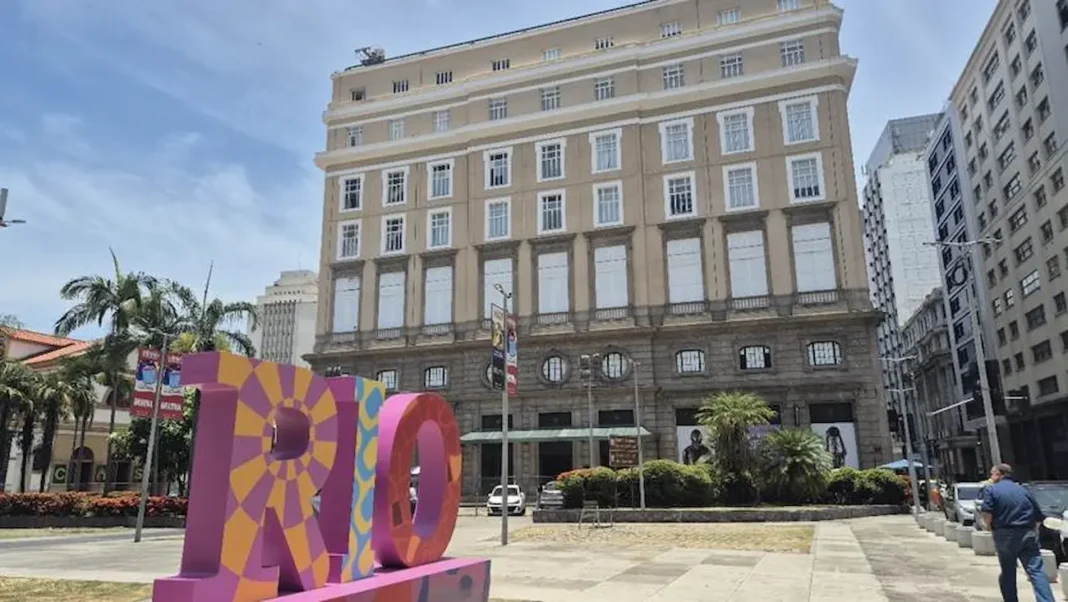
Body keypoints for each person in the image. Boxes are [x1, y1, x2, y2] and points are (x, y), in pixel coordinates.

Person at [979, 463, 1055, 602]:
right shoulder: (1023, 490)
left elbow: (987, 512)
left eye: (992, 474)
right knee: (1036, 571)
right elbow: (1038, 516)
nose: (991, 477)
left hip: (1005, 534)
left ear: (998, 474)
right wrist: (1034, 532)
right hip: (1027, 533)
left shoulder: (991, 490)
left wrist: (989, 527)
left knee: (1008, 572)